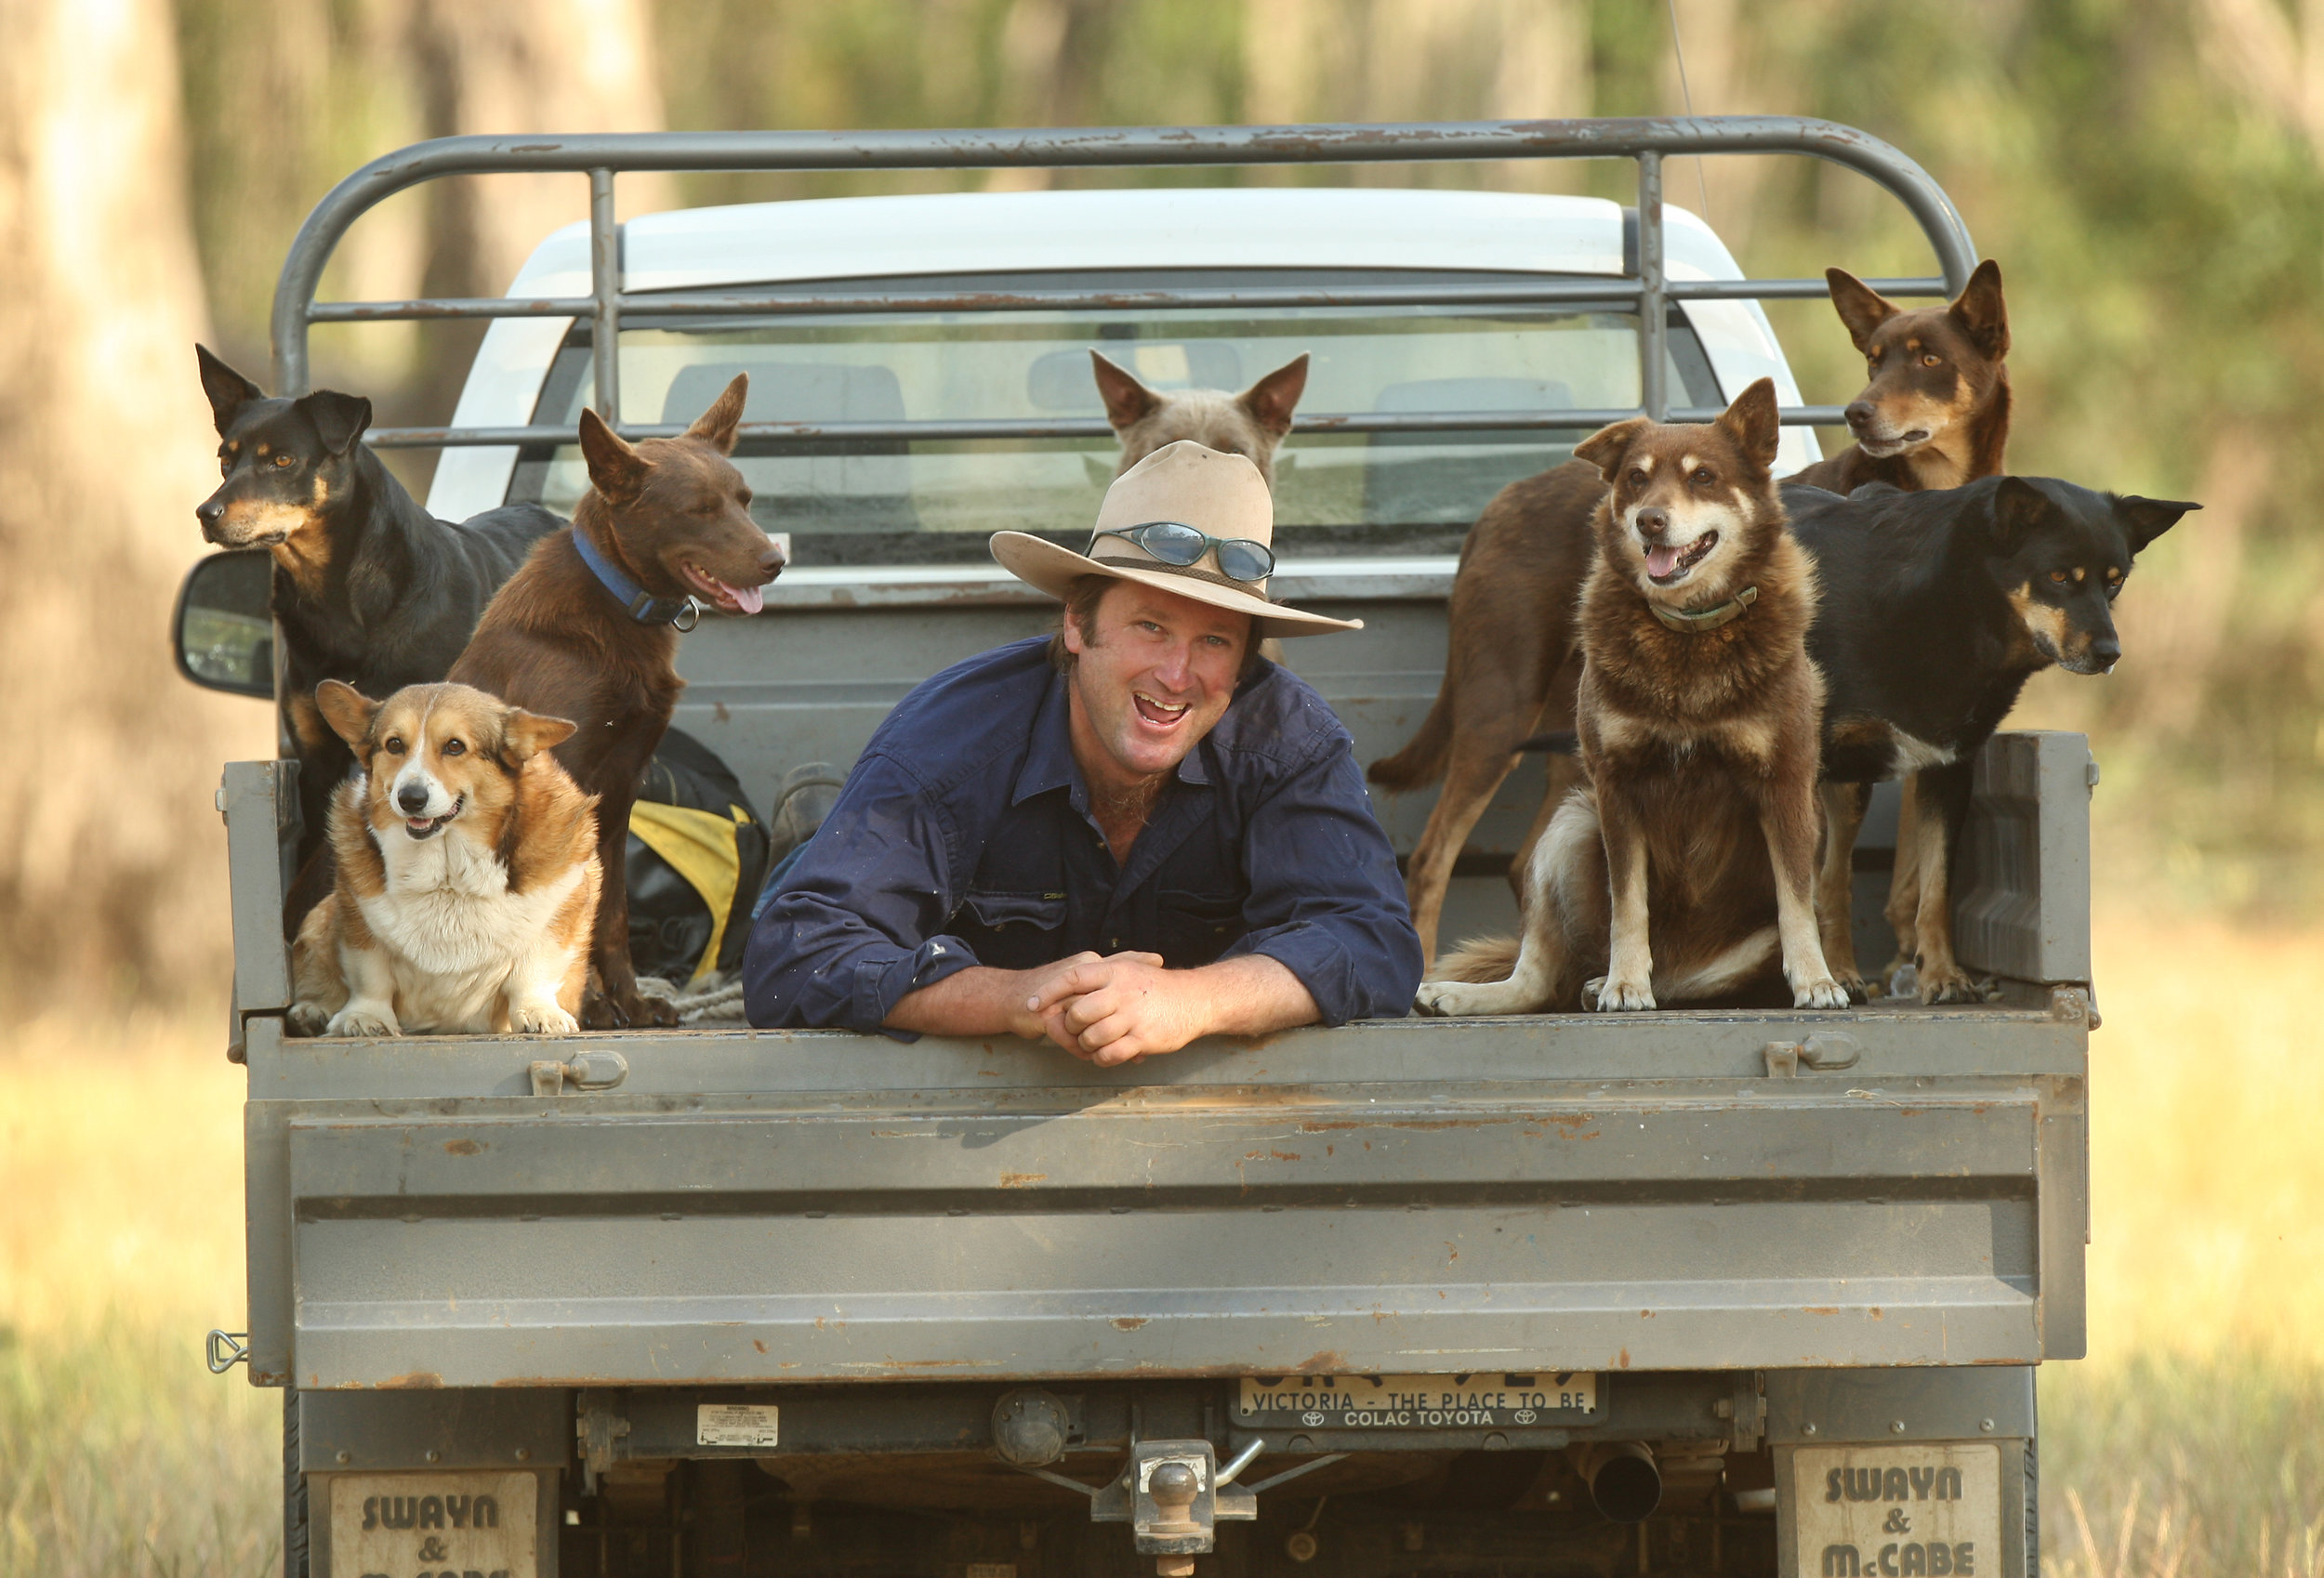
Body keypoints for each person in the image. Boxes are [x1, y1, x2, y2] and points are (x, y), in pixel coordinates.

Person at [742, 440, 1423, 1065]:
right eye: (1150, 626)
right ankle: (812, 829)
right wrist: (1020, 998)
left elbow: (1375, 941)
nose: (1177, 674)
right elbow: (795, 954)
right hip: (979, 1099)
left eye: (1215, 640)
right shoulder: (948, 743)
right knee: (815, 884)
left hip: (1199, 1114)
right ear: (1077, 621)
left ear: (1246, 658)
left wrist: (1193, 1001)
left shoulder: (1289, 741)